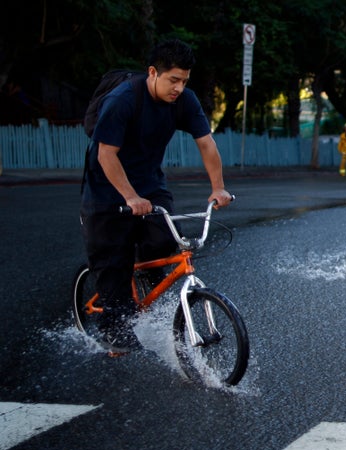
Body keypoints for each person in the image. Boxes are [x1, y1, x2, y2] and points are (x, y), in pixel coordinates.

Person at [80, 39, 233, 353]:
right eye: (172, 80)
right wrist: (130, 197)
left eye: (184, 81)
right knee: (114, 259)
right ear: (153, 72)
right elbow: (106, 155)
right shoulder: (123, 100)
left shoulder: (185, 101)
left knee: (164, 238)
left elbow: (206, 143)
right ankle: (114, 325)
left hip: (150, 183)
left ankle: (144, 281)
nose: (178, 88)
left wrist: (218, 187)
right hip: (107, 187)